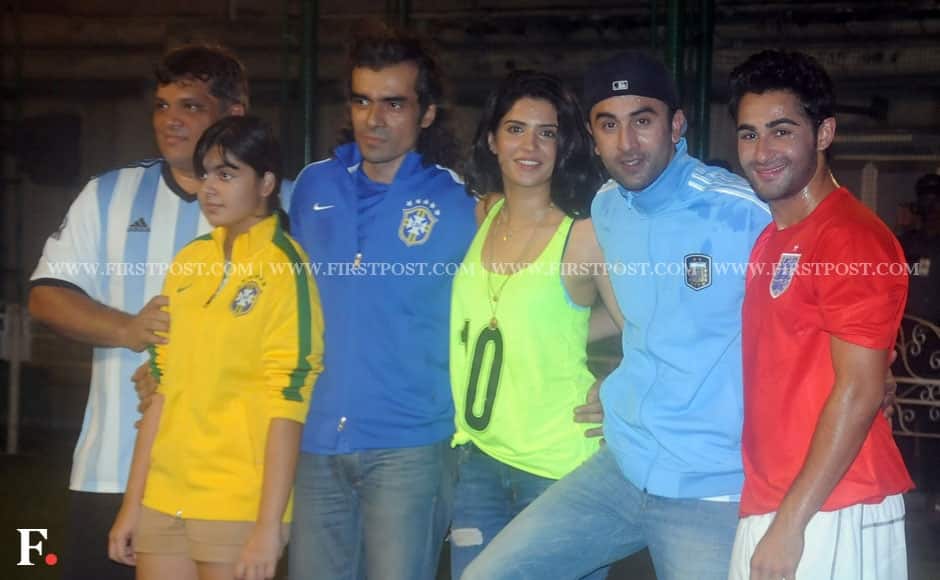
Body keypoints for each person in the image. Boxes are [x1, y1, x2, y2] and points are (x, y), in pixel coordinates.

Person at [463, 51, 771, 580]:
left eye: (643, 121)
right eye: (609, 124)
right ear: (592, 133)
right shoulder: (608, 208)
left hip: (708, 487)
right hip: (621, 469)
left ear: (676, 125)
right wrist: (617, 383)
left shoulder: (740, 213)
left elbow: (814, 316)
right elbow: (637, 316)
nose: (626, 143)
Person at [27, 44, 253, 580]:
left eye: (191, 106)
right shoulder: (108, 194)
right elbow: (45, 296)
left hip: (225, 478)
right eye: (162, 105)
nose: (170, 120)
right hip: (110, 470)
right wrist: (127, 329)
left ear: (234, 114)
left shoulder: (278, 207)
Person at [286, 22, 476, 580]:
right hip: (317, 440)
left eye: (394, 103)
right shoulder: (312, 188)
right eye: (363, 100)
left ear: (427, 113)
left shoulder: (462, 202)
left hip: (410, 445)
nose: (375, 118)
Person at [107, 115, 324, 580]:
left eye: (227, 174)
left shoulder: (285, 267)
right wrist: (133, 506)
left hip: (236, 505)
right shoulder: (190, 262)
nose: (209, 187)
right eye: (205, 174)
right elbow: (161, 392)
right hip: (163, 501)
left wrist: (270, 525)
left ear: (266, 182)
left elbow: (289, 400)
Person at [728, 49, 913, 580]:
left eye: (781, 131)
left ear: (824, 133)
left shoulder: (849, 235)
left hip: (833, 505)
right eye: (748, 134)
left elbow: (859, 391)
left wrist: (790, 523)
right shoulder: (772, 239)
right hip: (779, 497)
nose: (761, 151)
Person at [449, 70, 618, 579]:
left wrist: (620, 384)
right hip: (479, 461)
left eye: (547, 132)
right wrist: (554, 332)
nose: (531, 145)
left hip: (561, 471)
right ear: (491, 140)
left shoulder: (584, 234)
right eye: (516, 128)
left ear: (563, 145)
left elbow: (645, 324)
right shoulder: (482, 215)